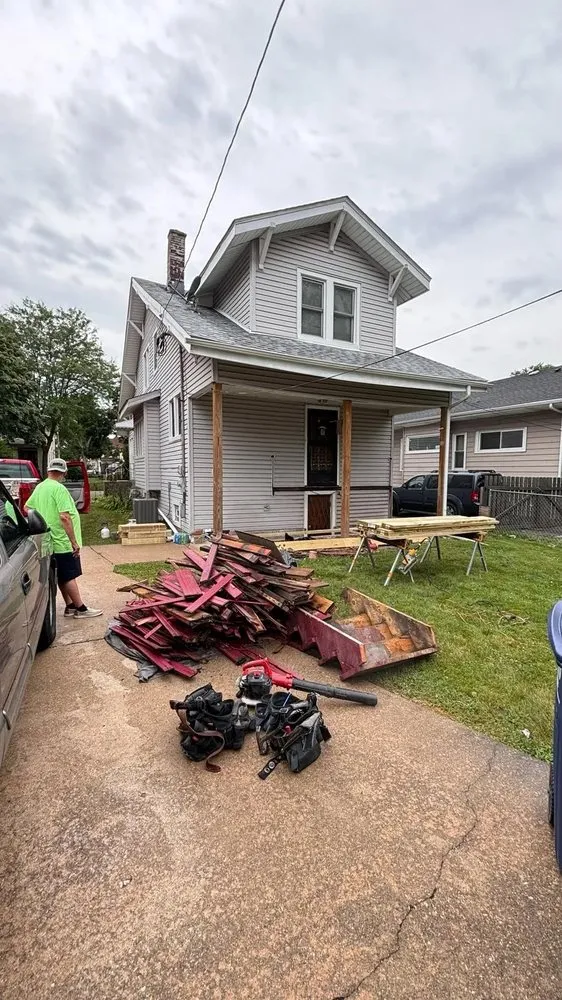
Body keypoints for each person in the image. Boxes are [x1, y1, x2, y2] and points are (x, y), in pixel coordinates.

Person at [26, 458, 102, 619]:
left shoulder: (40, 487)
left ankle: (70, 606)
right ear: (65, 472)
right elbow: (65, 517)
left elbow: (27, 508)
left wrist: (43, 519)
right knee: (69, 575)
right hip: (61, 540)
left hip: (49, 540)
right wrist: (73, 542)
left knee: (61, 575)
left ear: (48, 471)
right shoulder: (59, 489)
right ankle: (81, 609)